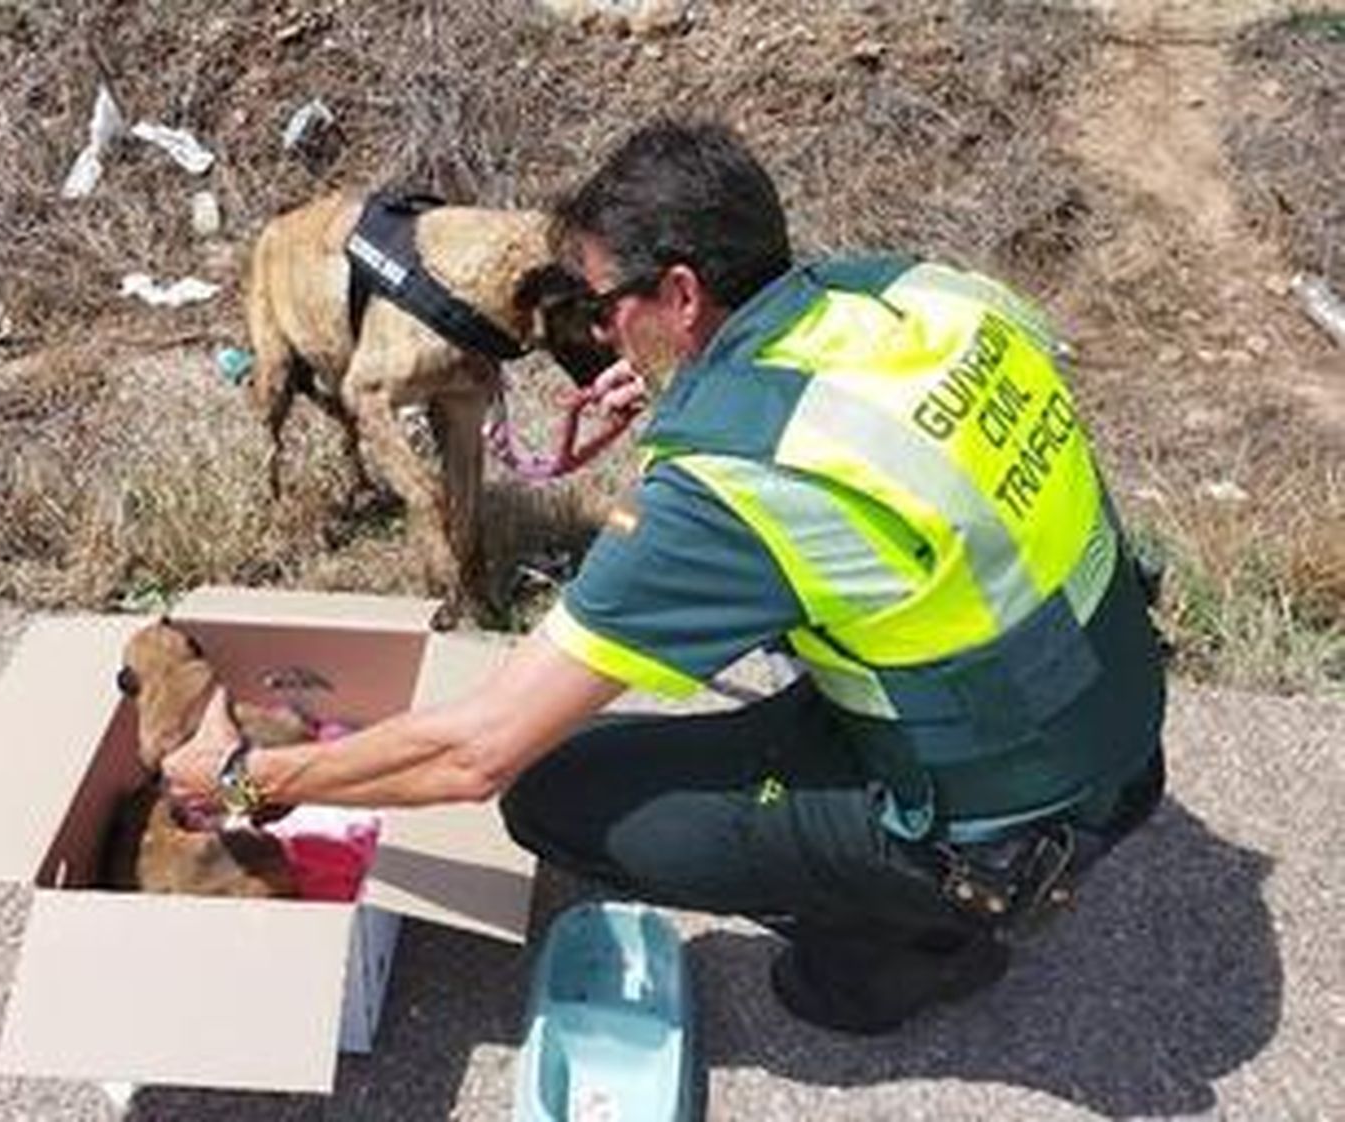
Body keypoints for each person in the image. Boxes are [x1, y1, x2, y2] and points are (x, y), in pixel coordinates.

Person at [165, 119, 1166, 1035]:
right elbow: (867, 457)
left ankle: (907, 943)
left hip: (1004, 828)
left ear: (680, 295)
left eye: (605, 308)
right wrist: (694, 388)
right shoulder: (925, 297)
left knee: (557, 793)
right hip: (1105, 712)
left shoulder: (736, 491)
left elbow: (474, 755)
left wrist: (254, 779)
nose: (597, 334)